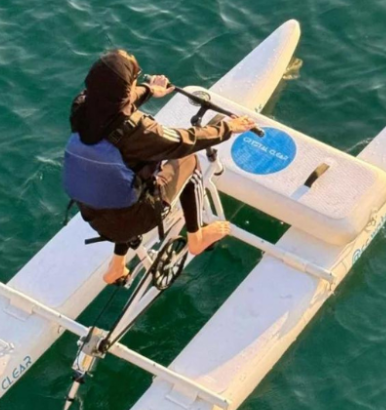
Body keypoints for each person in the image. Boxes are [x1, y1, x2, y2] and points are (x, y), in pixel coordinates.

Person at [67, 49, 256, 285]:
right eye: (134, 80)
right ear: (125, 88)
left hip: (94, 213)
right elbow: (184, 141)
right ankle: (197, 238)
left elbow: (114, 103)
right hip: (137, 218)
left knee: (123, 181)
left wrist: (148, 90)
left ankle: (117, 266)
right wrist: (229, 128)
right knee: (189, 161)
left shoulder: (81, 108)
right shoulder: (139, 131)